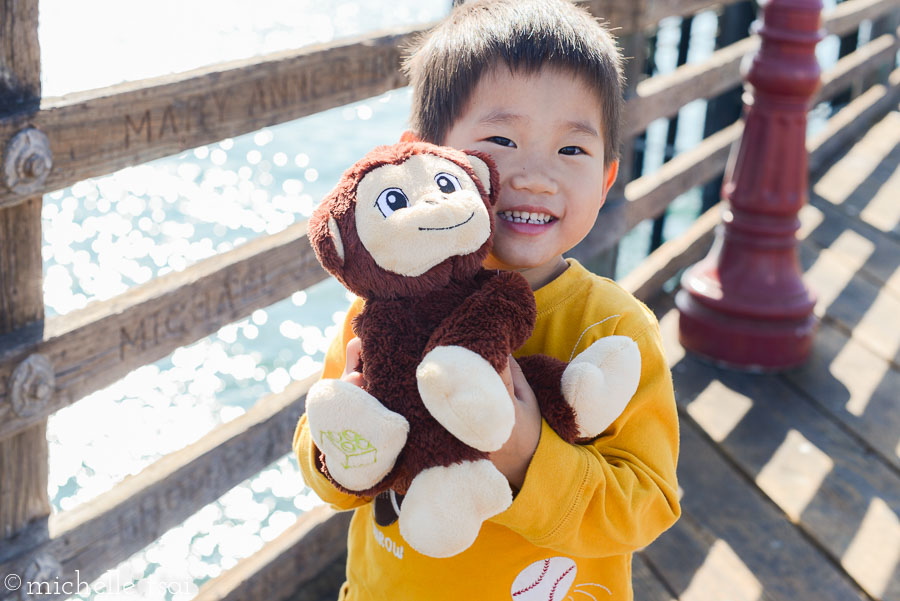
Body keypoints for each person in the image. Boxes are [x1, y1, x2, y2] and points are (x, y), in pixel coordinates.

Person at [293, 1, 681, 599]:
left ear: (606, 178)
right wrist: (344, 441)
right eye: (501, 139)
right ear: (423, 157)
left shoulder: (613, 330)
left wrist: (528, 456)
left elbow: (648, 505)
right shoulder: (381, 305)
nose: (535, 176)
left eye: (572, 150)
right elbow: (322, 469)